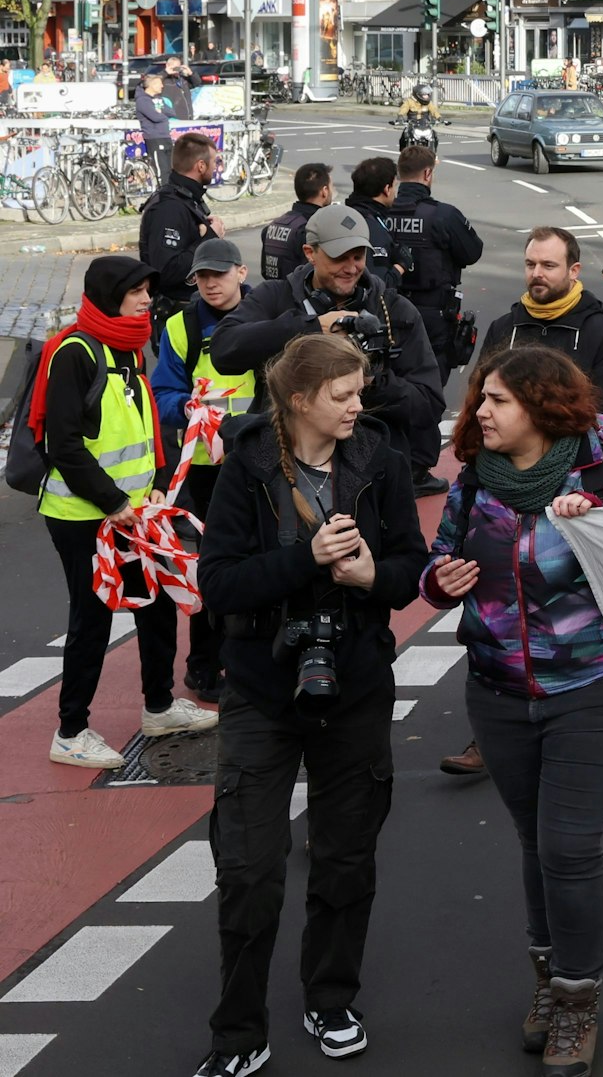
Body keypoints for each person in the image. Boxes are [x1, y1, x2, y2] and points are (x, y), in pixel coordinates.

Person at [190, 332, 425, 1077]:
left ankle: (330, 997)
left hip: (353, 682)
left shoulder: (378, 461)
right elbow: (218, 585)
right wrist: (306, 558)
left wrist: (365, 577)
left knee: (346, 858)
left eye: (360, 390)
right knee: (250, 868)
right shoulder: (248, 467)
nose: (360, 404)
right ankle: (238, 1030)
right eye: (344, 394)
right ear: (300, 400)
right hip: (262, 686)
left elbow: (408, 569)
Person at [419, 346, 603, 1076]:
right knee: (533, 841)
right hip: (496, 690)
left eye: (496, 400)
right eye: (480, 399)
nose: (480, 412)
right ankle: (549, 983)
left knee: (568, 844)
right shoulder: (476, 480)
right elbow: (437, 564)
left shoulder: (600, 464)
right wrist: (441, 583)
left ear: (542, 406)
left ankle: (578, 999)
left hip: (593, 688)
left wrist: (602, 520)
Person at [25, 258, 212, 768]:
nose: (147, 299)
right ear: (110, 295)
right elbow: (63, 444)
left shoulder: (126, 345)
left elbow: (141, 430)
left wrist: (152, 488)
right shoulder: (76, 352)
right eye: (136, 291)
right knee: (92, 615)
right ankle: (70, 731)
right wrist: (113, 504)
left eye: (149, 289)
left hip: (130, 510)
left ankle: (158, 706)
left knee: (155, 602)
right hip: (83, 514)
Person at [211, 203, 446, 474]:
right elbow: (223, 350)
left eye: (358, 257)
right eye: (339, 257)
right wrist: (307, 328)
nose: (351, 268)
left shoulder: (394, 310)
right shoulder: (276, 297)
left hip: (370, 472)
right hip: (283, 467)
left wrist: (372, 380)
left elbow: (429, 405)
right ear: (310, 253)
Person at [153, 239, 256, 705]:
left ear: (241, 271)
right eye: (202, 277)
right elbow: (163, 396)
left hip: (261, 458)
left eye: (219, 273)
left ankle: (252, 656)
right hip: (205, 469)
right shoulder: (181, 327)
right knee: (215, 567)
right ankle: (204, 664)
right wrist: (190, 409)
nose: (211, 283)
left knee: (264, 559)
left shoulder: (265, 314)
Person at [480, 227, 603, 418]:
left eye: (548, 266)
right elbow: (479, 396)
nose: (536, 273)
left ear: (573, 271)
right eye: (530, 264)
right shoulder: (502, 328)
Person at [388, 144, 484, 377]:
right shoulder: (443, 215)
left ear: (400, 174)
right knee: (430, 383)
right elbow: (472, 252)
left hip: (388, 309)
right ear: (428, 173)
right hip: (433, 314)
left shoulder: (381, 214)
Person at [138, 132, 224, 324]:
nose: (215, 167)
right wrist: (210, 237)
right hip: (175, 315)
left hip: (190, 311)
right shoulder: (169, 207)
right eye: (214, 161)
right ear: (201, 166)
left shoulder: (186, 198)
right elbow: (167, 270)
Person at [262, 162, 333, 283]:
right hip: (299, 298)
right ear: (324, 191)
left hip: (272, 295)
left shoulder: (273, 225)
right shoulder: (313, 229)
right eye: (332, 186)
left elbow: (265, 271)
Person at [344, 157, 405, 295]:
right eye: (394, 186)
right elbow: (379, 286)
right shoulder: (372, 228)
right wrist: (401, 265)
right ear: (387, 189)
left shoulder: (347, 215)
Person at [136, 73, 173, 181]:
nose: (162, 86)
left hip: (166, 136)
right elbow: (156, 117)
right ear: (152, 85)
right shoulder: (142, 100)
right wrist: (162, 114)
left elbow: (171, 112)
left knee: (170, 169)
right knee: (162, 170)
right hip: (155, 138)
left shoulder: (158, 99)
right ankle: (163, 195)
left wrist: (161, 112)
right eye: (159, 83)